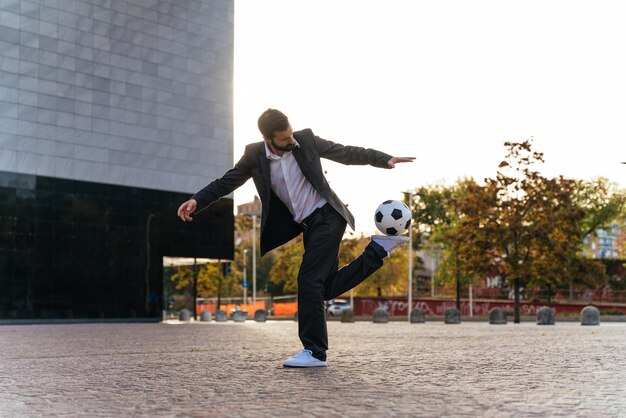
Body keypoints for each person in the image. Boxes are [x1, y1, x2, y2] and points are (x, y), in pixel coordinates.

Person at [177, 109, 414, 367]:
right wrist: (196, 200)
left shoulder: (306, 140)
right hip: (309, 226)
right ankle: (378, 250)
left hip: (329, 217)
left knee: (308, 281)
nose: (291, 140)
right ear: (268, 139)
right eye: (284, 138)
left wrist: (384, 158)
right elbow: (226, 182)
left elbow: (345, 152)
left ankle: (314, 352)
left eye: (290, 133)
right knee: (322, 287)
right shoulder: (254, 155)